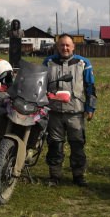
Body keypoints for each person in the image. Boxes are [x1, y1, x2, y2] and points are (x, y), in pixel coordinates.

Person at [42, 33, 96, 187]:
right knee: (54, 145)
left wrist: (90, 107)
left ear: (73, 46)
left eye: (67, 45)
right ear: (57, 47)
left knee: (77, 145)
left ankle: (78, 176)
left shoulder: (83, 63)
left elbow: (90, 87)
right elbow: (41, 85)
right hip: (54, 113)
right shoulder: (48, 62)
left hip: (76, 112)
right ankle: (54, 176)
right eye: (61, 45)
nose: (64, 48)